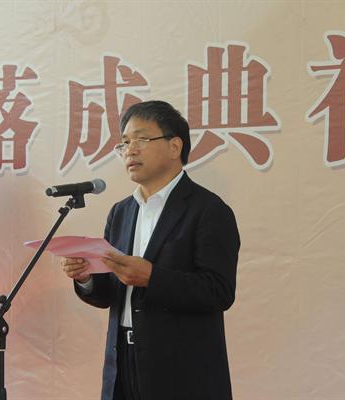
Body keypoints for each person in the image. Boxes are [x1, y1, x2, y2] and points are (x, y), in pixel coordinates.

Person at [61, 100, 240, 400]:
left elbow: (219, 291)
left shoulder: (208, 210)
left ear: (174, 146)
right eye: (124, 143)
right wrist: (86, 277)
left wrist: (152, 277)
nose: (130, 150)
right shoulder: (121, 212)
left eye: (141, 139)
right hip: (122, 364)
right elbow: (108, 294)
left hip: (182, 372)